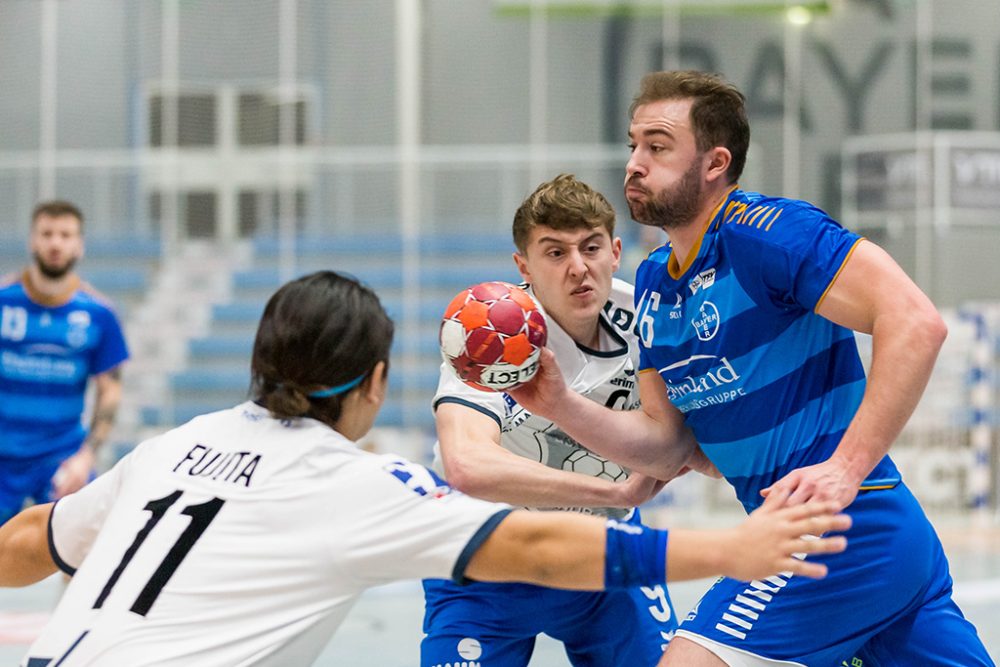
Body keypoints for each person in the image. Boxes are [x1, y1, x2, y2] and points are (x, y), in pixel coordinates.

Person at [0, 270, 850, 667]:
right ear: (373, 384)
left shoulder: (168, 448)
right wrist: (731, 551)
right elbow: (543, 552)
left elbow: (31, 540)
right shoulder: (355, 486)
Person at [508, 70, 993, 666]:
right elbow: (666, 445)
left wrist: (843, 469)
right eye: (634, 144)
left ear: (714, 163)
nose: (634, 163)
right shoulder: (655, 286)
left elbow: (917, 322)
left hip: (838, 528)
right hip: (853, 537)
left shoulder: (769, 233)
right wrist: (557, 403)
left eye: (657, 147)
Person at [423, 173, 718, 667]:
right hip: (488, 556)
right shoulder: (492, 328)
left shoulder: (653, 317)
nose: (579, 268)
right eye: (556, 253)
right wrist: (614, 493)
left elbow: (693, 441)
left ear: (616, 252)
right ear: (525, 266)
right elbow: (467, 467)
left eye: (591, 247)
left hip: (600, 557)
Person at [0, 201, 129, 526]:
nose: (56, 243)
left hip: (60, 458)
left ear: (79, 245)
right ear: (33, 241)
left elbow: (110, 393)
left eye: (65, 235)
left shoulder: (99, 314)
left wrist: (86, 457)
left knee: (88, 549)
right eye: (47, 233)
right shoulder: (3, 301)